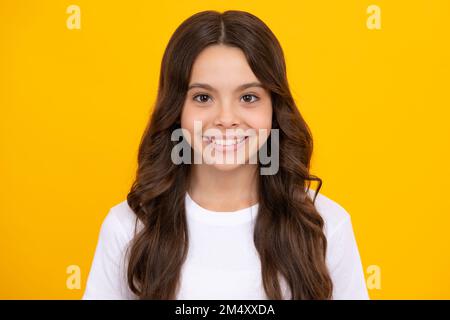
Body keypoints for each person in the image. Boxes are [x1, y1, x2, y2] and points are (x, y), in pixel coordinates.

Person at [82, 10, 369, 300]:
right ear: (176, 109)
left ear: (274, 109)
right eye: (203, 98)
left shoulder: (326, 226)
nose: (226, 118)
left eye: (248, 97)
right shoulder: (128, 227)